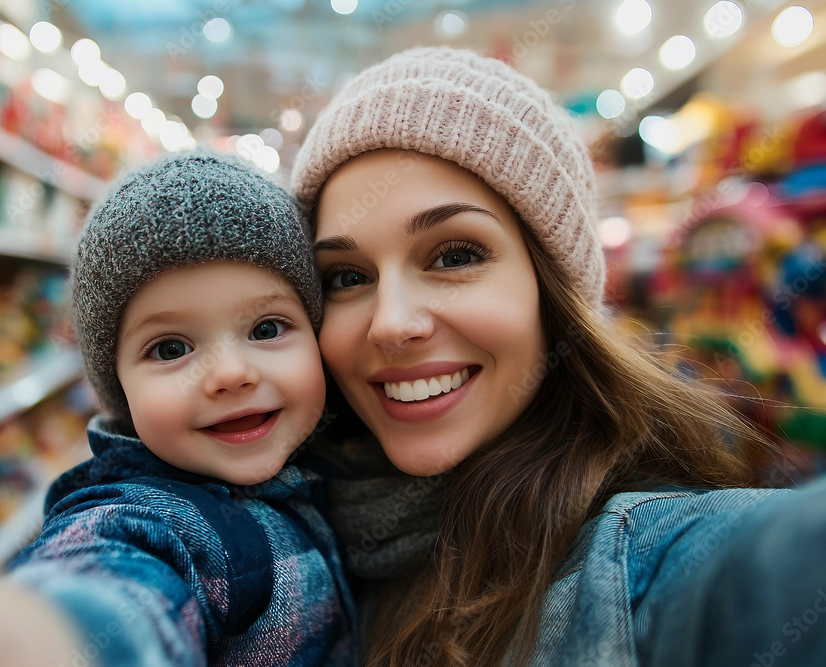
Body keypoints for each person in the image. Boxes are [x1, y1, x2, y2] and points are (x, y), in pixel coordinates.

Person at [289, 46, 826, 666]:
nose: (390, 324)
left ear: (553, 292)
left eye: (455, 256)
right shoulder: (303, 539)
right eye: (346, 277)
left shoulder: (632, 562)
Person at [0, 152, 353, 667]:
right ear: (118, 386)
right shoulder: (164, 520)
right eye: (171, 348)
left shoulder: (333, 461)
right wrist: (37, 636)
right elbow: (117, 584)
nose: (230, 374)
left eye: (267, 329)